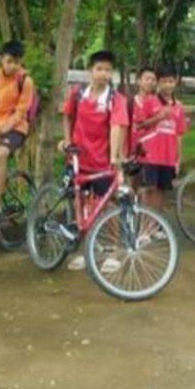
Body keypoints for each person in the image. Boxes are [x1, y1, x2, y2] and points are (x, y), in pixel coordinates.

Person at [60, 50, 130, 272]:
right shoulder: (77, 93)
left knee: (109, 206)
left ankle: (115, 250)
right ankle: (85, 250)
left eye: (108, 70)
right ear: (90, 71)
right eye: (99, 69)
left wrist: (115, 157)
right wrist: (67, 141)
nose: (103, 74)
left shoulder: (116, 99)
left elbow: (117, 127)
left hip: (102, 163)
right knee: (79, 205)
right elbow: (67, 115)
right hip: (78, 160)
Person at [0, 40, 35, 224]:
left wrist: (0, 134)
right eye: (9, 61)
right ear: (1, 59)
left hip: (16, 128)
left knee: (0, 154)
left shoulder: (25, 81)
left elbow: (20, 113)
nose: (13, 66)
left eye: (17, 62)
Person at [132, 64, 189, 212]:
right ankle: (145, 223)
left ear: (176, 82)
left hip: (168, 157)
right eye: (164, 81)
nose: (167, 85)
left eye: (171, 81)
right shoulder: (150, 101)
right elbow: (139, 125)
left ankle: (155, 222)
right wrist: (158, 117)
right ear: (158, 82)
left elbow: (179, 134)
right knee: (149, 189)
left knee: (161, 190)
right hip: (150, 156)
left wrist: (178, 159)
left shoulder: (179, 107)